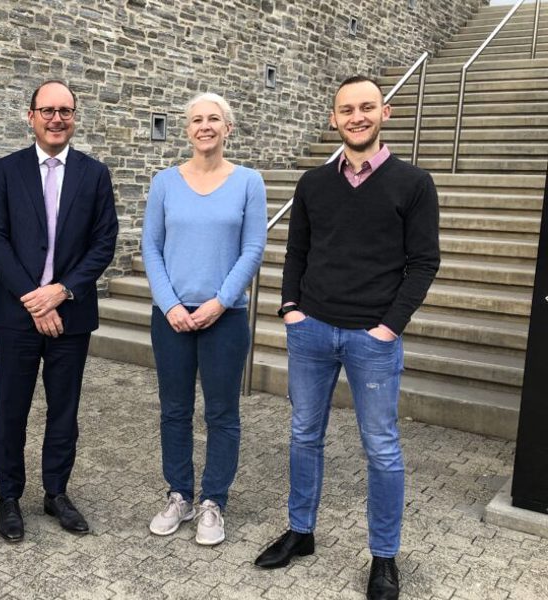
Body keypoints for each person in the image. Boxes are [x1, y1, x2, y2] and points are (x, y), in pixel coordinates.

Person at [254, 75, 440, 600]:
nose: (356, 117)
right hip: (311, 329)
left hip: (372, 339)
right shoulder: (314, 183)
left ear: (385, 112)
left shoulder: (413, 183)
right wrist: (290, 308)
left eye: (366, 107)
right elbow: (296, 252)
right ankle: (301, 531)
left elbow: (424, 262)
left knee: (381, 448)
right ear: (333, 119)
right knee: (303, 435)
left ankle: (384, 557)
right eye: (346, 110)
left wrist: (388, 327)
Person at [0, 80, 118, 541]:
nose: (56, 118)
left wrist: (61, 291)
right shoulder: (5, 170)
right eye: (47, 110)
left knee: (64, 410)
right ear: (30, 116)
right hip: (18, 314)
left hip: (71, 313)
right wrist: (34, 298)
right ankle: (9, 498)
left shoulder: (95, 173)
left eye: (65, 111)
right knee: (11, 410)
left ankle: (56, 492)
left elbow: (104, 243)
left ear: (74, 116)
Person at [141, 92, 267, 545]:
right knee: (174, 411)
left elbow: (253, 248)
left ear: (228, 128)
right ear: (188, 129)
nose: (205, 126)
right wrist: (170, 303)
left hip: (225, 317)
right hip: (170, 318)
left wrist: (220, 300)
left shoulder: (249, 182)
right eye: (197, 119)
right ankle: (179, 494)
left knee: (222, 413)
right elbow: (151, 246)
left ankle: (213, 500)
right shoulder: (164, 183)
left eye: (214, 119)